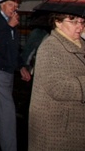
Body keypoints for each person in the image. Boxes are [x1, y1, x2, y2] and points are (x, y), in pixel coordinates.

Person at [28, 12, 85, 150]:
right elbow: (58, 88)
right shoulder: (50, 47)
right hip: (57, 125)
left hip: (74, 122)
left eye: (82, 22)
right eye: (73, 22)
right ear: (58, 22)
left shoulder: (80, 43)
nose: (79, 27)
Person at [0, 0, 31, 151]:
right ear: (2, 4)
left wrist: (21, 66)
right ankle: (9, 147)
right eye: (11, 5)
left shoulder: (12, 21)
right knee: (8, 108)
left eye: (16, 6)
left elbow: (13, 48)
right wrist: (9, 27)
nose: (14, 8)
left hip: (9, 69)